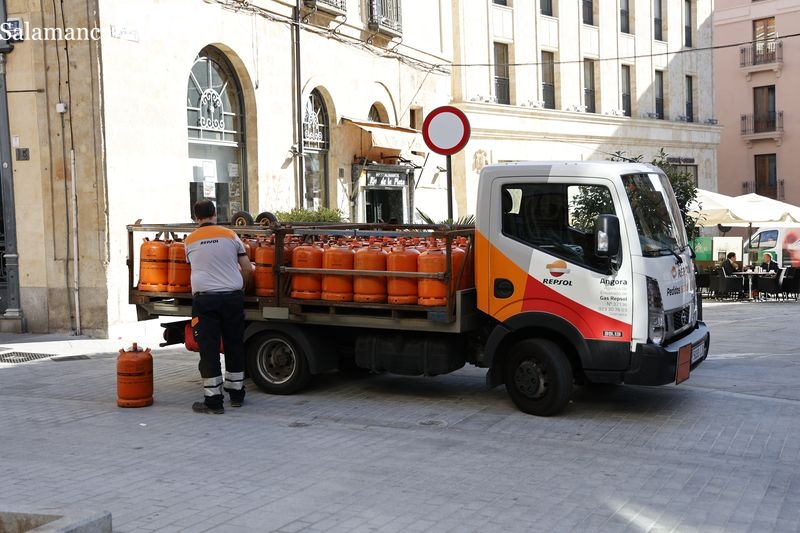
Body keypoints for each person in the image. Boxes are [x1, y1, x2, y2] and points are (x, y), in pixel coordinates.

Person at [185, 199, 253, 414]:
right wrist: (241, 288)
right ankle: (236, 395)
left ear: (196, 217)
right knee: (234, 344)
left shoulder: (189, 241)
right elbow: (247, 268)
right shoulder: (231, 235)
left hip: (205, 300)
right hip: (232, 298)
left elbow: (196, 266)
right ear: (215, 213)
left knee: (209, 349)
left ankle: (213, 402)